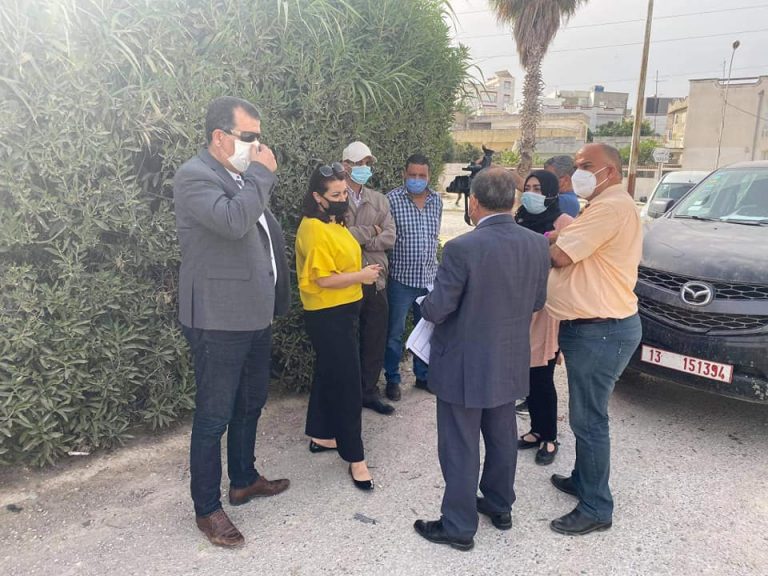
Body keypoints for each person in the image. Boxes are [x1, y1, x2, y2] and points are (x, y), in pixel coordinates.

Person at [173, 96, 291, 548]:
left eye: (259, 137)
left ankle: (243, 479)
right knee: (214, 415)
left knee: (250, 403)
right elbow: (233, 222)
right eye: (249, 137)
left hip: (253, 315)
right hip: (218, 318)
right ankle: (207, 509)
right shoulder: (195, 176)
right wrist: (262, 173)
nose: (257, 146)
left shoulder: (240, 178)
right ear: (219, 137)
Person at [413, 167, 550, 551]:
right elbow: (537, 301)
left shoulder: (462, 248)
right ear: (514, 201)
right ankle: (499, 505)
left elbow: (438, 308)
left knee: (460, 443)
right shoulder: (536, 244)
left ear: (473, 202)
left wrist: (424, 303)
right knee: (502, 435)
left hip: (463, 362)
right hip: (509, 357)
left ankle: (458, 525)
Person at [546, 143, 643, 536]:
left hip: (600, 330)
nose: (579, 172)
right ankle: (583, 479)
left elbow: (560, 256)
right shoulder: (603, 204)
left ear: (611, 172)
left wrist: (536, 242)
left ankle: (596, 506)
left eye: (587, 166)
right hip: (594, 327)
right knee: (585, 414)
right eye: (577, 165)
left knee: (589, 421)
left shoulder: (610, 207)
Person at [295, 163, 381, 491]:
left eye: (345, 192)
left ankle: (321, 434)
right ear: (318, 197)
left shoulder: (334, 222)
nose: (343, 198)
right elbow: (322, 279)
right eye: (336, 195)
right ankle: (355, 457)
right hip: (328, 313)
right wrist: (362, 276)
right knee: (348, 384)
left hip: (343, 310)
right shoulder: (313, 229)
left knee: (328, 371)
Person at [514, 170, 574, 466]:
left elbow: (568, 262)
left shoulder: (564, 224)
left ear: (551, 192)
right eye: (528, 188)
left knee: (542, 374)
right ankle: (536, 430)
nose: (532, 194)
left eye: (538, 188)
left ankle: (549, 436)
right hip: (520, 306)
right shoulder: (519, 219)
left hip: (546, 309)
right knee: (527, 373)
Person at [341, 141, 397, 416]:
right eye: (359, 163)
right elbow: (339, 237)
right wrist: (371, 231)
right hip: (346, 278)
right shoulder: (335, 198)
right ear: (345, 166)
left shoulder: (379, 199)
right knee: (347, 339)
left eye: (367, 163)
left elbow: (390, 236)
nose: (364, 168)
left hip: (376, 278)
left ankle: (369, 391)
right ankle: (348, 393)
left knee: (375, 336)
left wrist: (361, 237)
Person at [384, 154, 442, 401]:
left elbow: (434, 236)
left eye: (422, 175)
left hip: (428, 279)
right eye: (412, 175)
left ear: (429, 176)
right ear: (404, 175)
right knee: (394, 333)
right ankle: (392, 379)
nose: (417, 179)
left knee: (426, 331)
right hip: (401, 280)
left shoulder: (437, 201)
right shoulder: (391, 200)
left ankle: (423, 375)